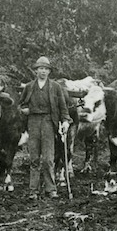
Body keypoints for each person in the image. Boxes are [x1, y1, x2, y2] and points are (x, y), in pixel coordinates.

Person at [18, 56, 70, 200]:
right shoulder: (29, 86)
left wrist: (65, 121)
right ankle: (33, 190)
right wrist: (24, 110)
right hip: (33, 122)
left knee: (48, 159)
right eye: (40, 69)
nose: (43, 71)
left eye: (46, 69)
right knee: (34, 158)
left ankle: (50, 189)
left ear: (49, 71)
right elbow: (21, 104)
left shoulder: (55, 87)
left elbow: (62, 107)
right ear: (36, 71)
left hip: (48, 121)